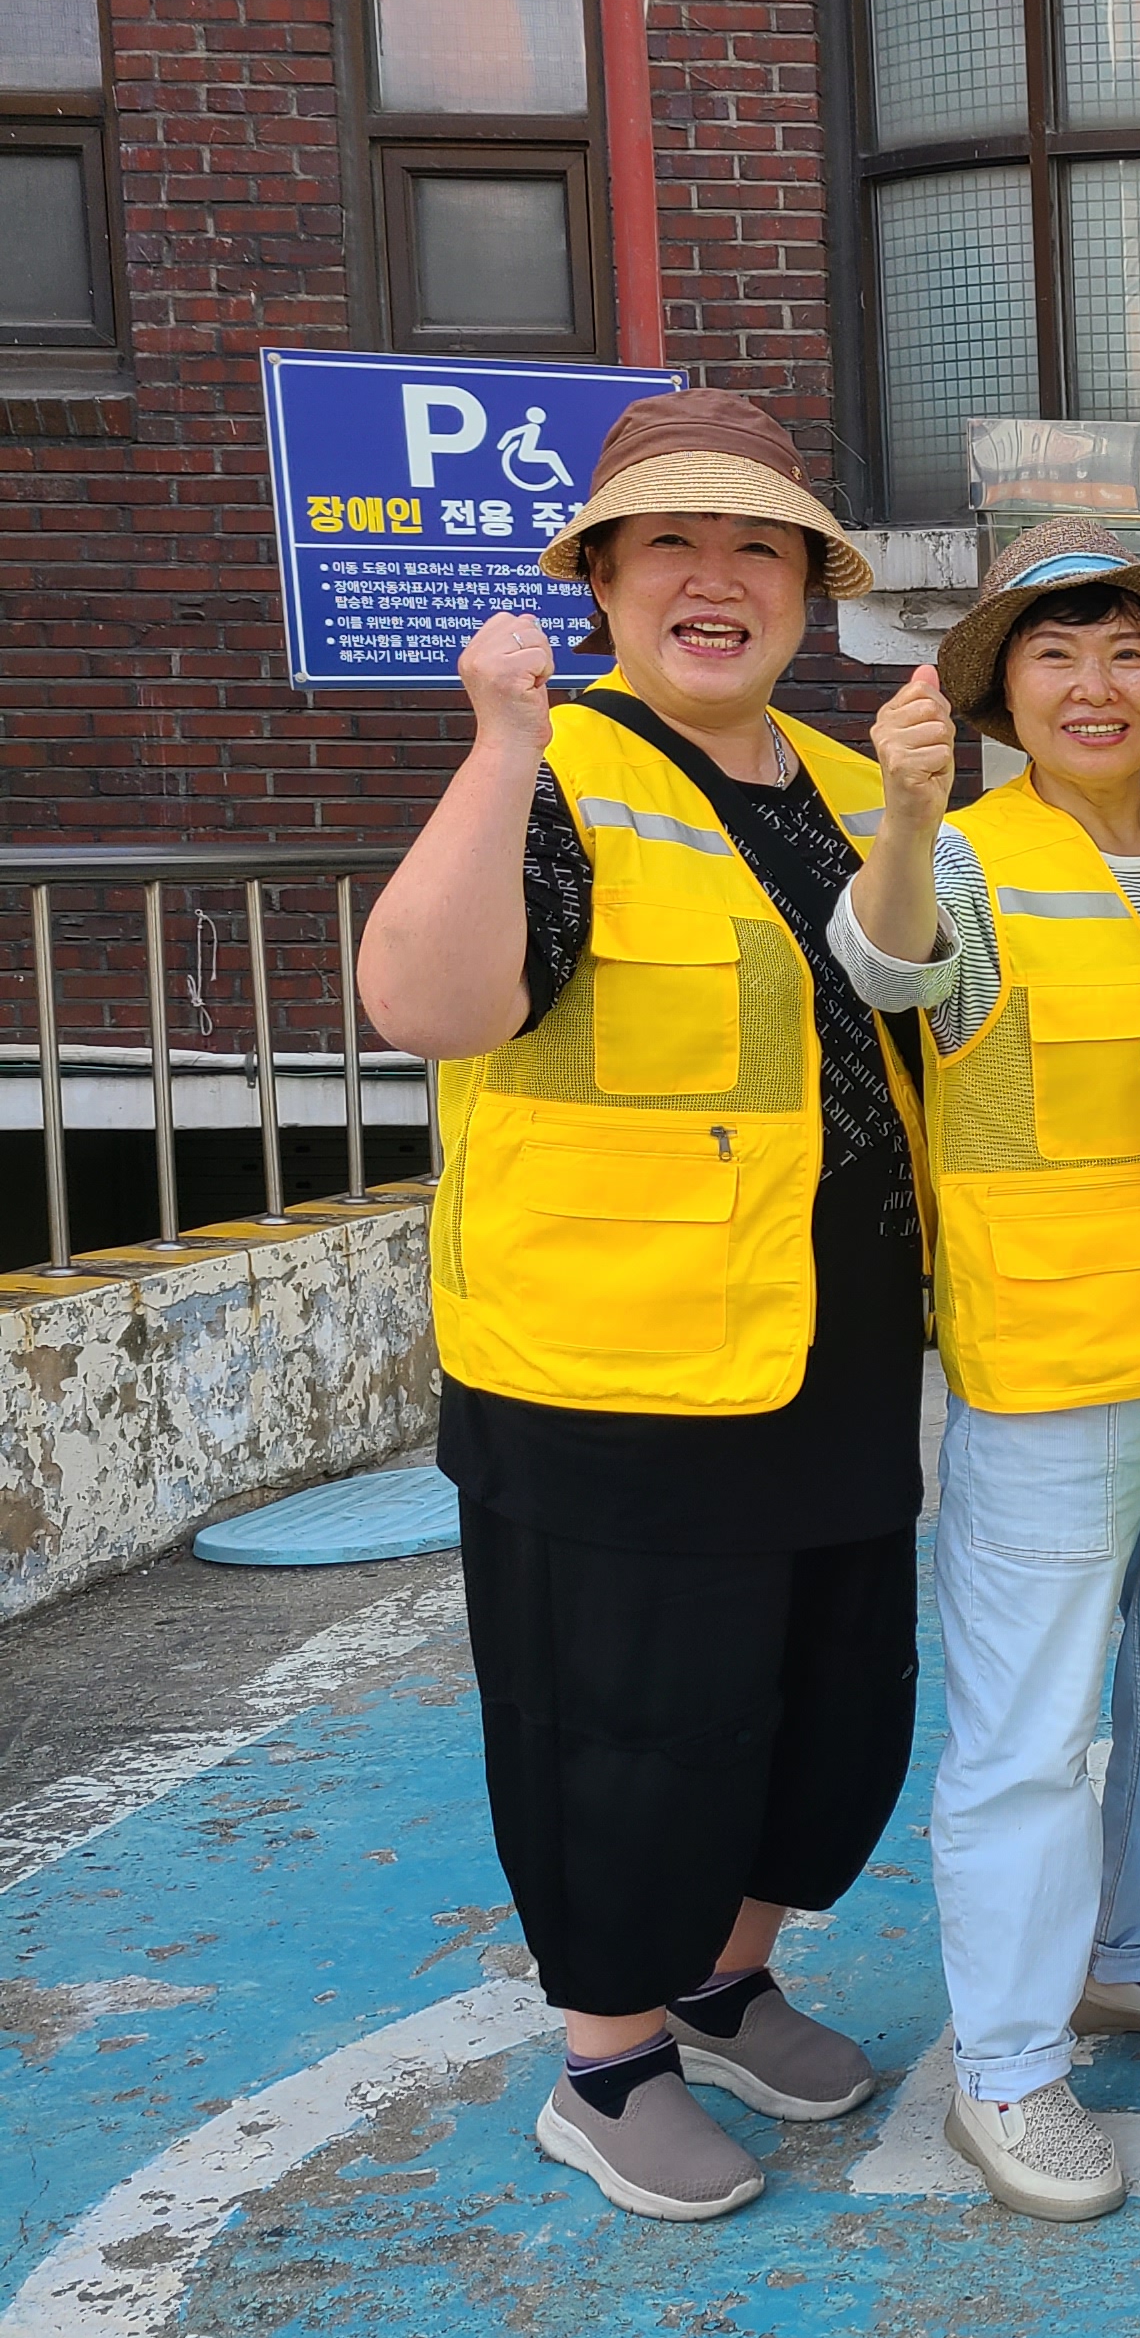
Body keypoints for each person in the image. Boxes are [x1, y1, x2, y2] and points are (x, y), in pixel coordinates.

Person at [359, 388, 920, 2225]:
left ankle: (725, 1983)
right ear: (599, 579)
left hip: (828, 1347)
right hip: (606, 1369)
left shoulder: (853, 789)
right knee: (629, 1727)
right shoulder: (559, 770)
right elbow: (427, 1005)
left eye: (760, 546)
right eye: (671, 541)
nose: (716, 578)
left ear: (807, 589)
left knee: (823, 1713)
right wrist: (496, 744)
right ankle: (608, 2061)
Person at [823, 519, 1140, 2222]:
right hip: (1055, 1349)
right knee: (1027, 1734)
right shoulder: (961, 856)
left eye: (1129, 652)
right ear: (998, 690)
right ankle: (1007, 2067)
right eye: (1057, 653)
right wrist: (907, 816)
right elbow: (886, 968)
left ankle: (1130, 1956)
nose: (1097, 685)